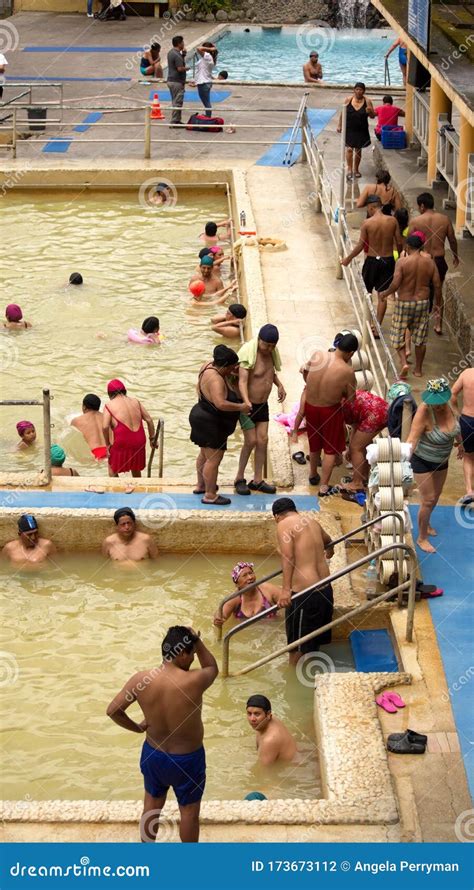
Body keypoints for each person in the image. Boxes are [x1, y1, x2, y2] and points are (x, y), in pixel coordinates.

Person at [106, 626, 218, 843]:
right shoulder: (194, 681)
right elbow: (212, 666)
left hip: (154, 755)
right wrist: (197, 640)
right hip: (187, 759)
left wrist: (138, 728)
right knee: (189, 813)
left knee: (151, 807)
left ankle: (146, 857)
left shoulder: (141, 679)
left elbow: (113, 711)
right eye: (192, 654)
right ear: (182, 653)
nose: (194, 659)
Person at [272, 498, 334, 665]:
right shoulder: (312, 522)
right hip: (325, 590)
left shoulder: (283, 524)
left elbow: (288, 556)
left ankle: (292, 683)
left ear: (277, 516)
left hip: (305, 594)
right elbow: (329, 540)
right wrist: (330, 550)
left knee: (296, 648)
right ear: (294, 510)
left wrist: (285, 590)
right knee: (313, 643)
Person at [407, 378, 461, 553]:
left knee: (436, 496)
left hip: (442, 460)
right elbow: (412, 440)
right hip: (422, 460)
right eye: (433, 403)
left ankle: (426, 522)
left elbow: (457, 427)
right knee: (428, 499)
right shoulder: (424, 411)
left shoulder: (452, 403)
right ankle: (422, 538)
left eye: (439, 403)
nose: (436, 406)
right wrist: (402, 461)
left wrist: (461, 443)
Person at [190, 345, 248, 505]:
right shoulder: (216, 379)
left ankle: (201, 485)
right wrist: (241, 407)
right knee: (214, 459)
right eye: (231, 368)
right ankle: (210, 495)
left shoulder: (207, 365)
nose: (233, 370)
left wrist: (229, 373)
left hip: (200, 414)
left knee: (204, 454)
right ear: (223, 365)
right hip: (209, 422)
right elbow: (220, 403)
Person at [234, 324, 286, 496]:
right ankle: (239, 478)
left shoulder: (271, 354)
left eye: (272, 346)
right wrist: (246, 401)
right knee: (251, 441)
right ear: (259, 341)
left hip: (263, 404)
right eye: (266, 345)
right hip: (247, 405)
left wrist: (279, 385)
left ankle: (257, 480)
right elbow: (242, 381)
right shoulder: (249, 353)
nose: (269, 349)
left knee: (263, 440)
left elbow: (269, 373)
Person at [302, 332, 357, 495]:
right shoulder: (347, 371)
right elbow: (352, 398)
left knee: (314, 442)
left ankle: (313, 474)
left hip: (310, 406)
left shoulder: (318, 355)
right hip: (330, 410)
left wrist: (312, 386)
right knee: (330, 449)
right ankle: (324, 486)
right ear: (351, 353)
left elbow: (305, 372)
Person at [380, 234, 441, 378]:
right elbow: (437, 285)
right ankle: (418, 370)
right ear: (422, 247)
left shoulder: (402, 262)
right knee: (420, 338)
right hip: (422, 302)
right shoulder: (430, 263)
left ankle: (404, 362)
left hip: (404, 302)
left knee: (397, 335)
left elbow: (395, 284)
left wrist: (385, 293)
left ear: (407, 247)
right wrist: (438, 304)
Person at [341, 195, 401, 328]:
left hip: (372, 260)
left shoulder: (367, 223)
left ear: (371, 207)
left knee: (367, 292)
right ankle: (377, 325)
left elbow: (360, 245)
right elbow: (399, 241)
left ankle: (367, 322)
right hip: (388, 260)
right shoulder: (392, 221)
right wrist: (400, 259)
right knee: (383, 294)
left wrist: (348, 259)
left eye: (368, 209)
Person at [408, 193, 459, 335]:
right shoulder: (445, 219)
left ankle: (417, 321)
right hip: (438, 260)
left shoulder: (416, 221)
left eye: (419, 206)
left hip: (422, 259)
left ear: (422, 206)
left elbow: (409, 243)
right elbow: (452, 239)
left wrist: (407, 257)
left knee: (419, 290)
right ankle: (438, 324)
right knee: (438, 292)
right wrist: (455, 255)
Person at [103, 379, 155, 478]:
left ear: (110, 394)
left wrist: (108, 445)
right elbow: (149, 420)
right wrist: (152, 439)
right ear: (124, 391)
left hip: (122, 441)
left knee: (112, 467)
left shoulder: (109, 405)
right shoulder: (136, 401)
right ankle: (138, 488)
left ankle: (116, 490)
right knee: (135, 467)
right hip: (139, 441)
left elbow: (105, 427)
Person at [341, 391, 388, 493]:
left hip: (374, 413)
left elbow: (342, 433)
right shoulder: (341, 398)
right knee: (360, 446)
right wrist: (349, 448)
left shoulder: (335, 406)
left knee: (356, 448)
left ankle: (357, 483)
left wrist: (348, 448)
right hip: (378, 409)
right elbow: (356, 426)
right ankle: (363, 477)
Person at [213, 561, 280, 626]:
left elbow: (287, 596)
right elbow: (221, 615)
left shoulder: (267, 589)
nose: (250, 577)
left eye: (251, 573)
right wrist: (218, 620)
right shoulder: (235, 598)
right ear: (237, 584)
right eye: (244, 575)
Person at [337, 82, 375, 180]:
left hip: (361, 129)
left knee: (358, 150)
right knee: (349, 149)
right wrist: (340, 125)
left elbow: (372, 116)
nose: (358, 91)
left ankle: (356, 169)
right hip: (349, 128)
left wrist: (370, 111)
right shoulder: (348, 100)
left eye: (361, 90)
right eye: (357, 89)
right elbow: (343, 113)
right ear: (354, 90)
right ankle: (349, 169)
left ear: (364, 91)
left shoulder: (368, 101)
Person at [246, 695, 297, 765]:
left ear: (268, 714)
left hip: (291, 766)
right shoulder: (267, 721)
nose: (252, 719)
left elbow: (264, 773)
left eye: (257, 714)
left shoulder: (269, 740)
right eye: (249, 714)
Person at [451, 368, 474, 505]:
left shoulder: (467, 373)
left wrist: (457, 413)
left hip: (467, 419)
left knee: (468, 456)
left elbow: (452, 394)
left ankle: (469, 490)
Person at [70, 394, 107, 461]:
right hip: (109, 451)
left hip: (95, 453)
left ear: (84, 407)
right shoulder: (106, 417)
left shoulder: (77, 421)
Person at [167, 35, 188, 127]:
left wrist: (183, 55)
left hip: (171, 80)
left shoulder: (171, 52)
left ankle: (177, 120)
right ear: (179, 43)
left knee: (175, 101)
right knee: (178, 102)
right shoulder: (177, 55)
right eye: (182, 42)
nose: (183, 44)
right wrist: (187, 68)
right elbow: (179, 68)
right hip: (177, 81)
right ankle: (174, 122)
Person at [195, 42, 217, 117]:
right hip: (204, 81)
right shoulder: (209, 58)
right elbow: (203, 71)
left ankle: (208, 118)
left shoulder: (207, 56)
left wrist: (211, 48)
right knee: (206, 102)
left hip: (203, 83)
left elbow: (198, 48)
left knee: (206, 103)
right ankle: (208, 116)